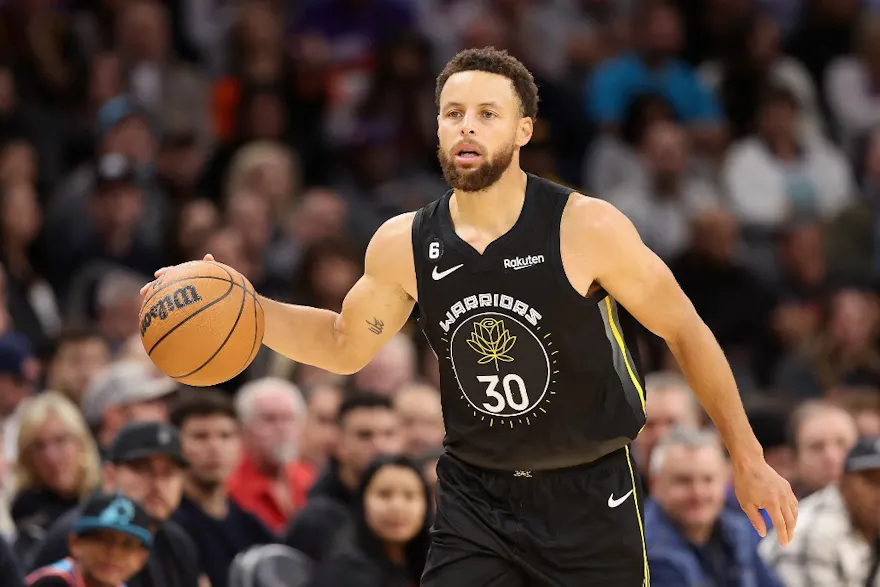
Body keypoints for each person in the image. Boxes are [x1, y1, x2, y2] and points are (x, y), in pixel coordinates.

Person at [144, 47, 798, 586]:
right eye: (452, 112)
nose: (465, 125)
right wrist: (244, 310)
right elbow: (344, 344)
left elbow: (685, 328)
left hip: (590, 491)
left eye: (487, 113)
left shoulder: (585, 226)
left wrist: (746, 454)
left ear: (522, 130)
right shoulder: (403, 241)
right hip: (476, 495)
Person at [25, 492, 153, 587]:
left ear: (141, 559)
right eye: (103, 540)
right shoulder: (52, 583)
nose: (113, 553)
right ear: (75, 543)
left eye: (127, 545)